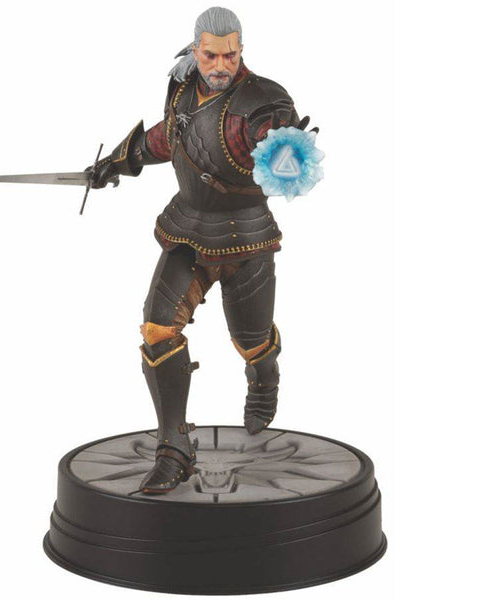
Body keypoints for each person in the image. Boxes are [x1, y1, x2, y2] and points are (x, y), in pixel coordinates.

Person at [88, 7, 322, 494]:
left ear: (241, 50)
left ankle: (264, 377)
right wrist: (118, 161)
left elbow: (277, 143)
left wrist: (285, 150)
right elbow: (168, 138)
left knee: (251, 341)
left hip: (246, 237)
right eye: (211, 54)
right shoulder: (183, 89)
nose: (220, 65)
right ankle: (173, 450)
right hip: (187, 230)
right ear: (196, 50)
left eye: (230, 54)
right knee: (157, 329)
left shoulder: (261, 101)